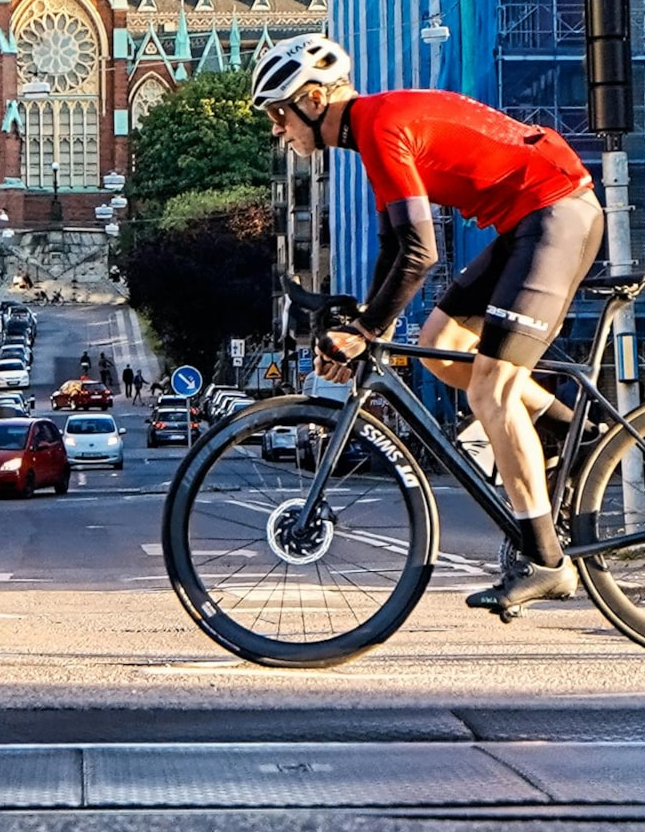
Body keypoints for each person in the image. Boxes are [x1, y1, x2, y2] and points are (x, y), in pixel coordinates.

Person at [251, 34, 603, 613]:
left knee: (493, 390)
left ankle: (547, 563)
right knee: (439, 348)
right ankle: (576, 432)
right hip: (526, 222)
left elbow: (421, 253)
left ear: (312, 100)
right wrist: (364, 324)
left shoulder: (381, 127)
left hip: (557, 212)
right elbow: (394, 246)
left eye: (277, 113)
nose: (276, 129)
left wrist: (365, 333)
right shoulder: (372, 131)